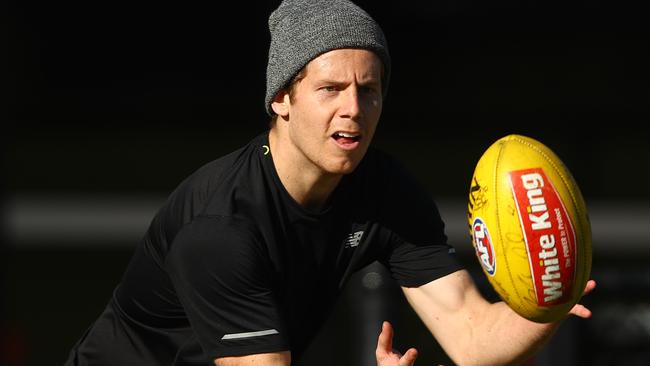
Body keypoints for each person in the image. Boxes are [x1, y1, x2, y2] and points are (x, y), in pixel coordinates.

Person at [64, 0, 595, 365]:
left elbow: (473, 337)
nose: (353, 109)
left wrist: (545, 302)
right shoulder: (221, 229)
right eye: (331, 88)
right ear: (281, 100)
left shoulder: (382, 188)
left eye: (369, 90)